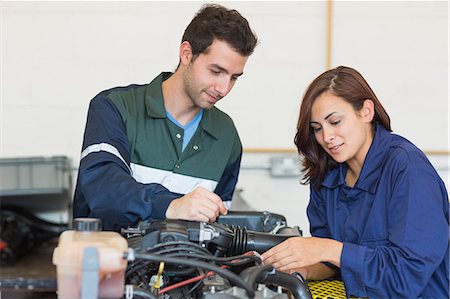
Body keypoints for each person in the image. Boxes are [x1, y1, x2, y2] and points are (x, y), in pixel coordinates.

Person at [261, 66, 449, 298]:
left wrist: (327, 248)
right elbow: (334, 263)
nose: (326, 137)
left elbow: (407, 275)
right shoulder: (325, 175)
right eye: (317, 129)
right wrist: (301, 270)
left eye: (336, 121)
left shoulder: (407, 168)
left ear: (366, 112)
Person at [73, 4, 258, 231]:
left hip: (186, 266)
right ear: (186, 54)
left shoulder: (227, 135)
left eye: (234, 78)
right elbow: (102, 189)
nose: (223, 88)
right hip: (107, 263)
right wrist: (171, 205)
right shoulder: (114, 108)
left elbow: (217, 226)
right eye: (216, 71)